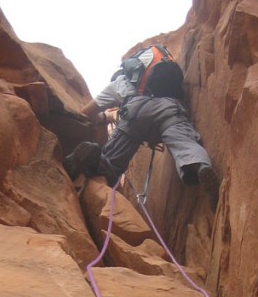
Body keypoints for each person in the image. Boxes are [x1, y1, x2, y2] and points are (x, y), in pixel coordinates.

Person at [64, 45, 220, 207]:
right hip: (168, 108)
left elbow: (85, 114)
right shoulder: (159, 75)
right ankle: (200, 166)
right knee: (184, 142)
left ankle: (95, 155)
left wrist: (105, 117)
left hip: (135, 113)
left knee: (111, 161)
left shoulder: (118, 83)